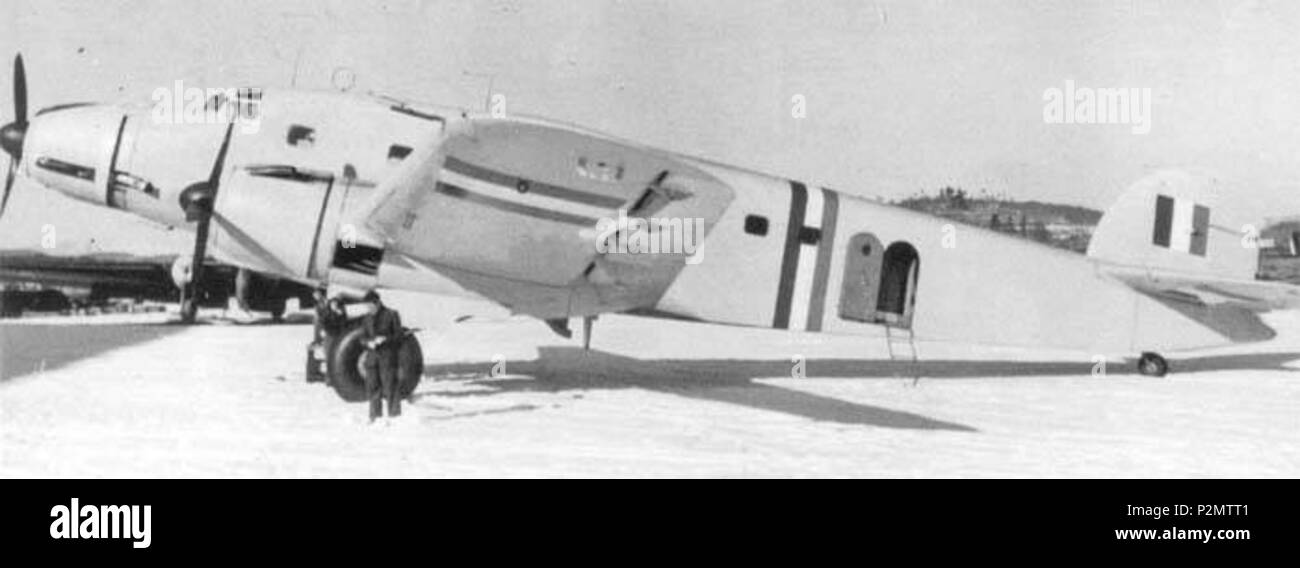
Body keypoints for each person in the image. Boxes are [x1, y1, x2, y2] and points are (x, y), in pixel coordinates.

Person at [362, 290, 403, 422]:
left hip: (387, 357)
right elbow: (362, 337)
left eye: (370, 305)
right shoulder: (366, 318)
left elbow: (399, 337)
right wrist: (368, 342)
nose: (369, 308)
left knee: (390, 386)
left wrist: (385, 339)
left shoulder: (391, 315)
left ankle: (394, 416)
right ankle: (375, 417)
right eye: (367, 306)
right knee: (373, 388)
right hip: (372, 358)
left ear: (377, 303)